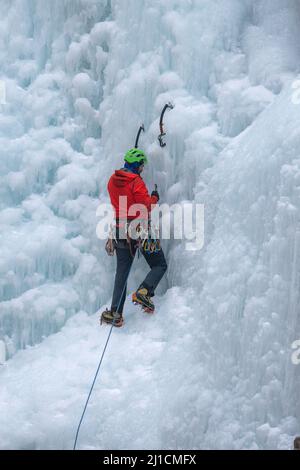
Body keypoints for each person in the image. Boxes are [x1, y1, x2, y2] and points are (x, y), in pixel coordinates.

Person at [101, 148, 168, 327]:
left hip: (119, 231)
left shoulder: (112, 181)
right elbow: (145, 206)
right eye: (141, 166)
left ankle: (115, 313)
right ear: (137, 165)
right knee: (159, 264)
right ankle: (144, 291)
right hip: (139, 230)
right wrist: (154, 198)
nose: (142, 170)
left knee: (121, 273)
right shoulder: (136, 182)